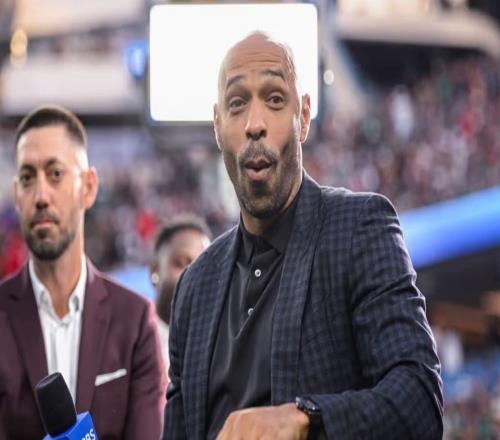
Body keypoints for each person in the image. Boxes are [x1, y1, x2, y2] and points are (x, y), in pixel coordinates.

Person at [162, 32, 443, 439]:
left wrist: (303, 419)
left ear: (304, 117)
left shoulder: (360, 229)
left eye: (275, 99)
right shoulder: (194, 286)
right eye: (237, 104)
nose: (255, 124)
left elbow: (419, 400)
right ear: (218, 126)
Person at [0, 105, 166, 439]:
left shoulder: (134, 321)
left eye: (55, 174)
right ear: (17, 195)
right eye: (28, 178)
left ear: (88, 187)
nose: (41, 195)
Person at [150, 217, 211, 366]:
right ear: (155, 270)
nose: (196, 274)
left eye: (205, 266)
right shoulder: (132, 344)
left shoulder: (225, 345)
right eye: (182, 263)